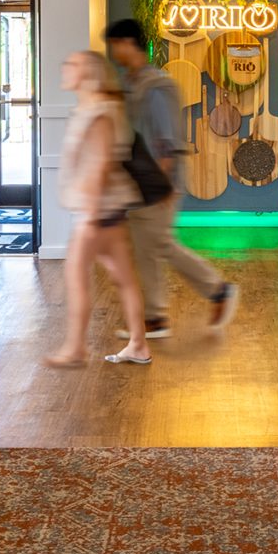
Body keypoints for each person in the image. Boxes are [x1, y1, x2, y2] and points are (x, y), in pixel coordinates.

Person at [102, 17, 240, 339]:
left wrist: (163, 186)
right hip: (138, 182)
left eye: (115, 45)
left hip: (157, 182)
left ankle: (217, 290)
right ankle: (156, 317)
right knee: (145, 247)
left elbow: (167, 140)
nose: (113, 52)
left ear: (128, 43)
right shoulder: (131, 83)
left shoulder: (157, 86)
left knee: (159, 244)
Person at [44, 50, 153, 367]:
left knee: (76, 275)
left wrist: (91, 215)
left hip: (97, 211)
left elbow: (100, 164)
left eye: (73, 64)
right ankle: (138, 345)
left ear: (89, 73)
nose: (65, 67)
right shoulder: (95, 108)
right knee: (124, 278)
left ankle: (75, 349)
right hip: (108, 210)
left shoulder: (99, 112)